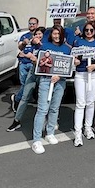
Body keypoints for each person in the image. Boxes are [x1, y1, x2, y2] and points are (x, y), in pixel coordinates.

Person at [31, 26, 72, 155]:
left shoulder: (66, 48)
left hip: (60, 81)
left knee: (54, 108)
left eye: (59, 34)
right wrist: (35, 60)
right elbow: (39, 62)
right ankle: (36, 139)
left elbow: (68, 66)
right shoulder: (45, 46)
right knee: (42, 109)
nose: (56, 36)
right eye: (54, 33)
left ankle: (50, 133)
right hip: (45, 80)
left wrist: (59, 76)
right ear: (51, 34)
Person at [6, 26, 45, 132]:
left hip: (43, 73)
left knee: (43, 99)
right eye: (36, 34)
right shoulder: (32, 44)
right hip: (33, 72)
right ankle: (16, 121)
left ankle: (47, 122)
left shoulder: (46, 44)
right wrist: (26, 54)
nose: (37, 36)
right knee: (25, 96)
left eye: (40, 34)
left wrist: (39, 45)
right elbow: (22, 50)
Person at [72, 20, 95, 147]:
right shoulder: (79, 42)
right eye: (86, 30)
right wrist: (76, 61)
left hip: (94, 74)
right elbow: (75, 57)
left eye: (91, 30)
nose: (89, 32)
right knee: (80, 103)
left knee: (91, 102)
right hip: (81, 74)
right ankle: (78, 133)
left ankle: (88, 128)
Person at [11, 17, 42, 112]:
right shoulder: (24, 36)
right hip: (24, 63)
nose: (31, 25)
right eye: (30, 23)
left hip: (34, 63)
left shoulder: (40, 35)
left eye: (33, 24)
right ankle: (18, 100)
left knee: (32, 85)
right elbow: (20, 47)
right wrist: (24, 43)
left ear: (37, 25)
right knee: (24, 84)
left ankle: (18, 98)